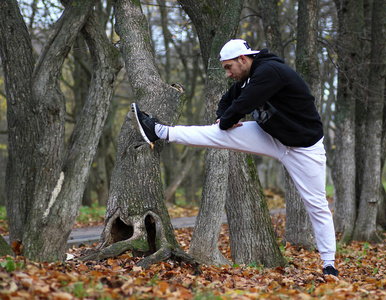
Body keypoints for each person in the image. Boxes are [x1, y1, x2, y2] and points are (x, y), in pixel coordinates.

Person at [130, 39, 339, 276]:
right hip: (271, 136)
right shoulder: (247, 78)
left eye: (229, 67)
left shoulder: (270, 72)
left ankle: (329, 265)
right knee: (216, 133)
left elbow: (242, 105)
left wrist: (228, 120)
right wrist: (222, 119)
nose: (228, 74)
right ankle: (158, 131)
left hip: (304, 148)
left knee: (317, 205)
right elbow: (227, 102)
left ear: (243, 59)